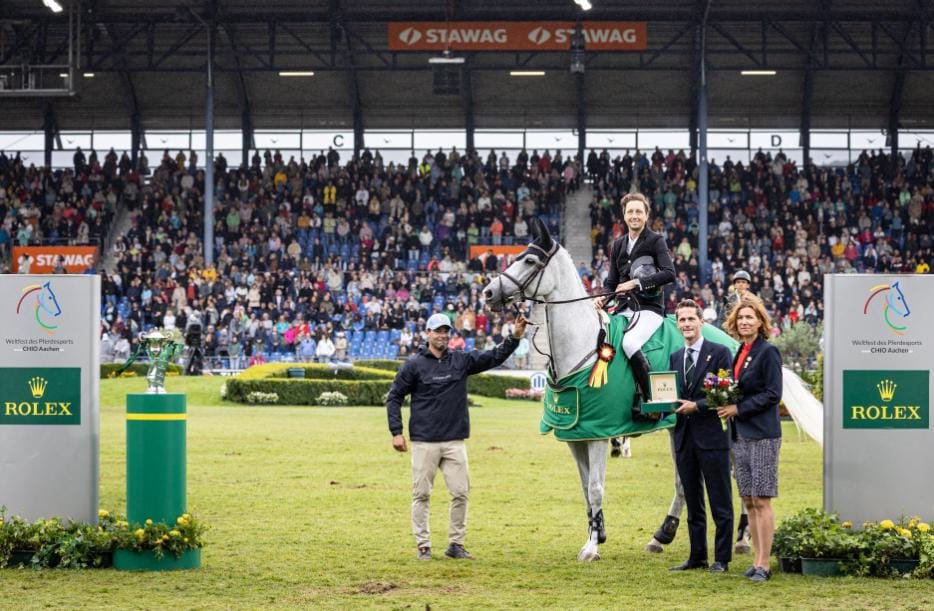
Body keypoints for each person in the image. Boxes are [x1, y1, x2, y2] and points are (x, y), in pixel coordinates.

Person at [386, 311, 528, 561]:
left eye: (445, 331)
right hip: (424, 441)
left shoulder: (460, 361)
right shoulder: (414, 364)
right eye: (437, 330)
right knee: (421, 494)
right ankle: (423, 546)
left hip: (454, 441)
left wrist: (514, 338)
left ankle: (456, 544)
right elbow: (394, 397)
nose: (442, 335)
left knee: (461, 493)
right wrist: (396, 432)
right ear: (427, 333)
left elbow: (493, 357)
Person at [595, 192, 675, 419]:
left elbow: (670, 274)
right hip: (623, 309)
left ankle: (653, 402)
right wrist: (602, 298)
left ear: (646, 215)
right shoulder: (618, 244)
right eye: (630, 211)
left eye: (639, 211)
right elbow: (611, 282)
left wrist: (636, 283)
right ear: (624, 215)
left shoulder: (656, 240)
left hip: (650, 309)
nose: (634, 215)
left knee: (629, 343)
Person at [668, 299, 735, 573]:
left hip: (712, 439)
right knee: (693, 501)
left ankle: (721, 559)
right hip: (683, 439)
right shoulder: (674, 357)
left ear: (701, 322)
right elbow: (672, 395)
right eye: (682, 320)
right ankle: (697, 556)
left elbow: (725, 391)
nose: (686, 324)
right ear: (677, 325)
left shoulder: (719, 352)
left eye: (690, 319)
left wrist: (698, 405)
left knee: (720, 500)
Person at [720, 296, 783, 582]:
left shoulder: (767, 352)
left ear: (760, 322)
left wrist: (738, 408)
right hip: (740, 434)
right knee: (748, 500)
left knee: (762, 499)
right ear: (735, 322)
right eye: (741, 318)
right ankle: (757, 559)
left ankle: (765, 564)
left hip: (762, 435)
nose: (745, 321)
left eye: (750, 317)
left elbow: (773, 394)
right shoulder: (741, 352)